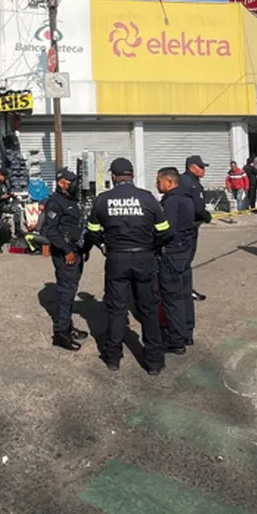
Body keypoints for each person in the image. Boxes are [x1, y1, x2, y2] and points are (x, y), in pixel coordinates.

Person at [85, 158, 172, 375]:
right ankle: (153, 362)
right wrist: (150, 246)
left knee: (116, 310)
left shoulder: (103, 200)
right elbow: (165, 232)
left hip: (117, 259)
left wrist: (104, 245)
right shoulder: (148, 198)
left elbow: (92, 231)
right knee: (149, 309)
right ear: (132, 175)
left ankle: (113, 357)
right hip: (145, 258)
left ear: (113, 177)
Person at [43, 168, 91, 351]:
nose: (75, 185)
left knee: (71, 291)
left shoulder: (71, 201)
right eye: (71, 182)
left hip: (76, 251)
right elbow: (51, 230)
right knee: (66, 293)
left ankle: (68, 327)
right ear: (62, 183)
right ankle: (60, 333)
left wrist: (83, 248)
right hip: (65, 254)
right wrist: (66, 251)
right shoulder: (55, 203)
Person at [156, 167, 197, 352]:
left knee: (172, 297)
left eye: (159, 181)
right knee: (184, 293)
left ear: (169, 182)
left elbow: (167, 230)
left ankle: (176, 340)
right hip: (185, 252)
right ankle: (187, 332)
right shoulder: (187, 198)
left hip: (172, 253)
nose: (157, 184)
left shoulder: (171, 202)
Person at [177, 154, 212, 301]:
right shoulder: (192, 184)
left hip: (178, 226)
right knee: (185, 261)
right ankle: (184, 291)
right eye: (201, 167)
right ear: (192, 167)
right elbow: (198, 208)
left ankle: (182, 289)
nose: (204, 170)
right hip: (188, 228)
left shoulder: (180, 180)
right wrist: (207, 216)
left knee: (181, 261)